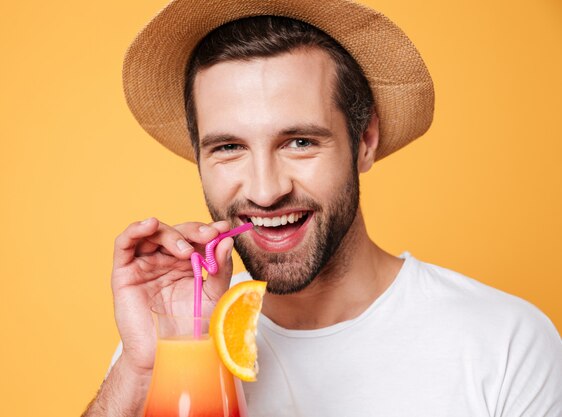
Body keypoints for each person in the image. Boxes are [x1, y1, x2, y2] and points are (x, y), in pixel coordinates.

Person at [82, 1, 562, 416]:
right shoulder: (173, 344)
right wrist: (139, 369)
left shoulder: (505, 344)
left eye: (299, 141)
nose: (266, 191)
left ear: (365, 141)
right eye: (229, 147)